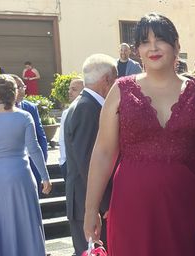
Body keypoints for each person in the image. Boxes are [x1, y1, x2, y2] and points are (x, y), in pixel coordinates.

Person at [84, 13, 195, 256]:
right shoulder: (121, 90)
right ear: (137, 50)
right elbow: (103, 152)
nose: (153, 47)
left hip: (190, 206)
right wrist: (91, 209)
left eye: (160, 40)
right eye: (145, 41)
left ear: (177, 45)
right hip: (133, 207)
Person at [0, 75, 52, 256]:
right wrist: (45, 176)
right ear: (15, 93)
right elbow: (34, 149)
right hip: (20, 174)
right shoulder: (23, 116)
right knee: (24, 219)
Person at [65, 55, 117, 255]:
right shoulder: (88, 108)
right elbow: (88, 163)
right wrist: (105, 204)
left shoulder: (84, 104)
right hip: (90, 206)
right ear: (106, 80)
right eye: (115, 78)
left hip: (87, 203)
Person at [0, 74, 48, 186]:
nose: (23, 90)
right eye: (19, 87)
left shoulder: (29, 109)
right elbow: (34, 147)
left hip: (6, 170)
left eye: (23, 87)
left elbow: (39, 140)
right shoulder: (24, 116)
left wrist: (42, 170)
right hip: (11, 170)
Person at [58, 78, 84, 178]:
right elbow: (62, 140)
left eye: (74, 89)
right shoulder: (67, 112)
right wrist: (63, 162)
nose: (69, 92)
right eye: (69, 89)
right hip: (68, 164)